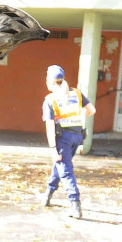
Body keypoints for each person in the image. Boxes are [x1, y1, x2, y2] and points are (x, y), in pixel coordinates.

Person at [41, 64, 93, 219]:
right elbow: (92, 110)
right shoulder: (77, 93)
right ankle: (48, 194)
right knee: (61, 165)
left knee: (66, 170)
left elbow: (50, 126)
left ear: (49, 81)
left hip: (63, 138)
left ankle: (75, 204)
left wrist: (52, 149)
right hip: (77, 136)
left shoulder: (50, 100)